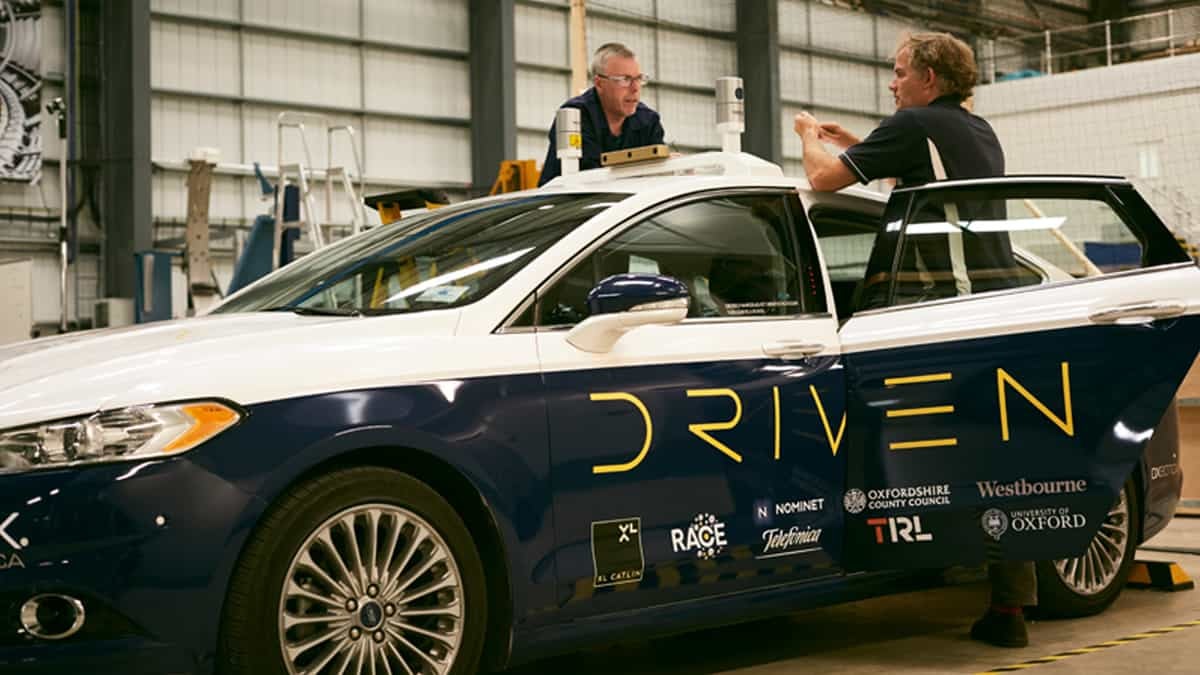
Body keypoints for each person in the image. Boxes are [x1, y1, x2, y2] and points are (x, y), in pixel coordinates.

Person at [793, 31, 1035, 649]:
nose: (891, 83)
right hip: (997, 303)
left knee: (919, 442)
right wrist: (862, 143)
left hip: (943, 312)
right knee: (999, 457)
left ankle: (884, 555)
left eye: (899, 72)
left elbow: (821, 181)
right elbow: (923, 174)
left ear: (929, 79)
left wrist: (808, 136)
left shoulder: (913, 122)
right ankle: (1009, 607)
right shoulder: (975, 129)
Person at [537, 43, 665, 186]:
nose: (635, 88)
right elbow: (590, 178)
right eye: (624, 80)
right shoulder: (575, 118)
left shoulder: (647, 121)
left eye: (639, 79)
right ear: (599, 83)